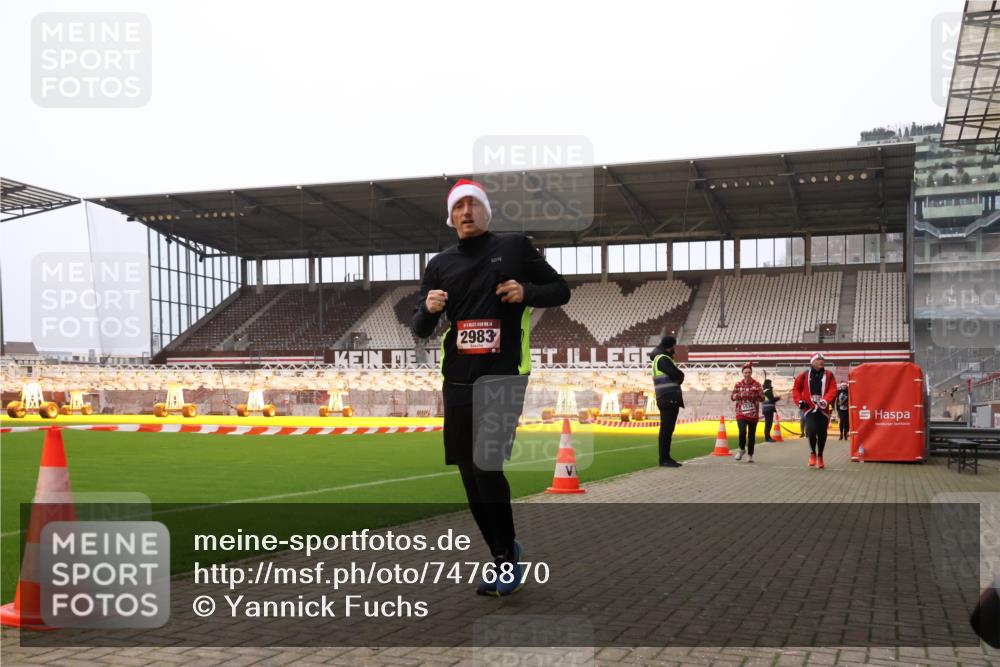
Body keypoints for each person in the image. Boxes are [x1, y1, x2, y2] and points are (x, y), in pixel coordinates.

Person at [411, 178, 570, 597]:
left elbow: (561, 290)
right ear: (451, 217)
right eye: (458, 206)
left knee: (486, 466)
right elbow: (420, 328)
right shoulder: (439, 264)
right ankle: (503, 553)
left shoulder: (515, 246)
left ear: (486, 211)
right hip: (457, 379)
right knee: (469, 475)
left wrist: (525, 291)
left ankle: (506, 561)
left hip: (503, 374)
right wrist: (428, 309)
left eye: (473, 204)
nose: (466, 211)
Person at [792, 353, 838, 469]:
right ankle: (813, 452)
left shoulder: (829, 375)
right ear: (812, 362)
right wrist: (799, 401)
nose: (821, 361)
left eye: (822, 359)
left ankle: (820, 455)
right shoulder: (804, 375)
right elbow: (796, 389)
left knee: (822, 434)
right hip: (810, 409)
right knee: (811, 431)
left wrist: (825, 400)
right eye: (818, 359)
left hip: (823, 409)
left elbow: (833, 389)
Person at [649, 335, 685, 467]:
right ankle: (664, 459)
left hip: (663, 396)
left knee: (667, 429)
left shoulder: (658, 358)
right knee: (667, 430)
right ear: (670, 347)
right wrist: (681, 376)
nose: (674, 349)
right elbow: (677, 375)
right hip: (668, 396)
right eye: (673, 347)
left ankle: (665, 458)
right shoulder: (663, 359)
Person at [730, 362, 765, 462]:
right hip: (741, 413)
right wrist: (735, 396)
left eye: (749, 372)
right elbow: (732, 397)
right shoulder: (738, 384)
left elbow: (762, 398)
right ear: (742, 373)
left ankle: (750, 454)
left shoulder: (757, 384)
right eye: (745, 372)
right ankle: (741, 449)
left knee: (751, 435)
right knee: (742, 432)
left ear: (751, 373)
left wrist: (756, 392)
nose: (747, 374)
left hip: (753, 414)